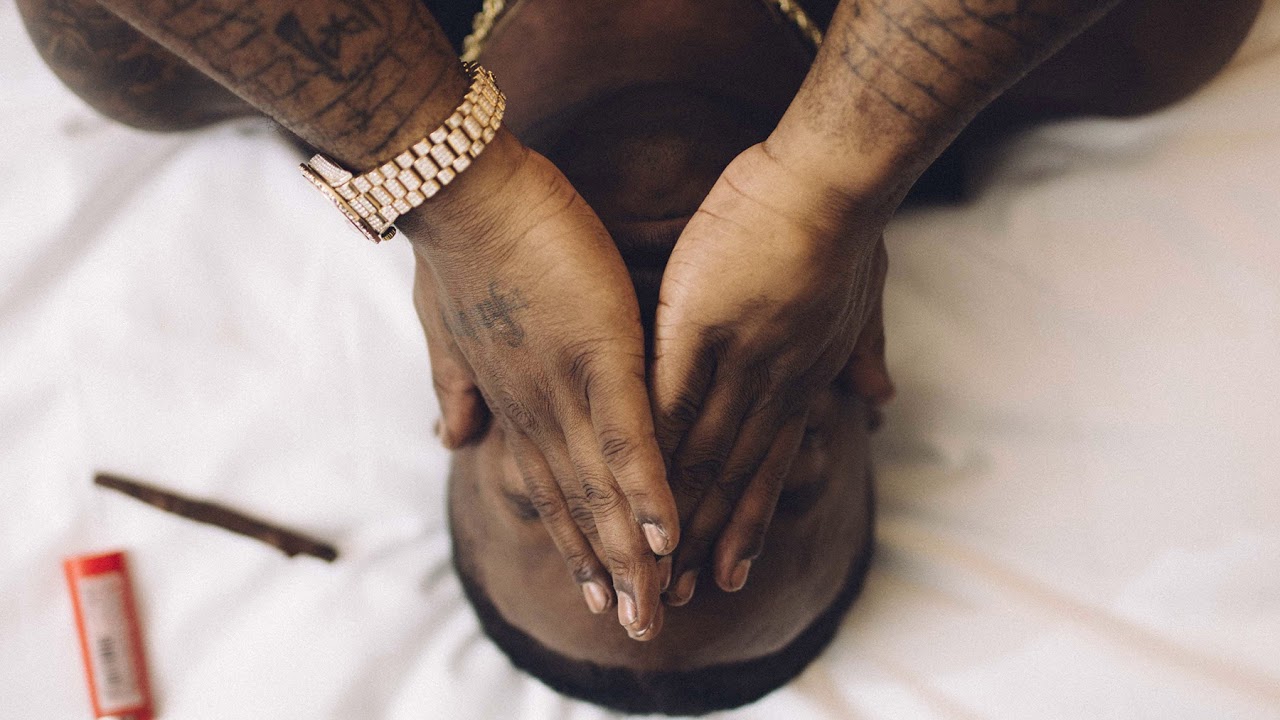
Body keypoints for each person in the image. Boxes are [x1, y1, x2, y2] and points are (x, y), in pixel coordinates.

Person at [17, 0, 1261, 709]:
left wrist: (446, 182)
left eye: (567, 482)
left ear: (456, 387)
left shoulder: (147, 56)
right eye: (745, 462)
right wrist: (835, 171)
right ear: (863, 362)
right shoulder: (1132, 34)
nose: (654, 406)